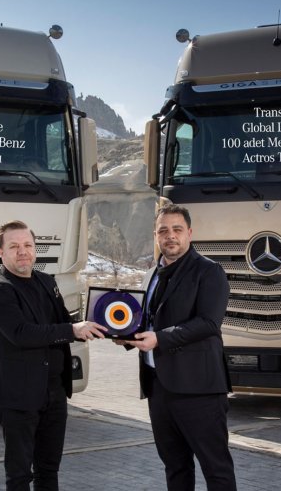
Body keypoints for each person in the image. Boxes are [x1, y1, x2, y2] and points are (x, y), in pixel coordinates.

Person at [119, 204, 237, 491]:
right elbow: (146, 320)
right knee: (175, 467)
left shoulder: (209, 271)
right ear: (155, 236)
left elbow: (208, 323)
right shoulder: (151, 274)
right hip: (158, 387)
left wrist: (160, 338)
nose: (170, 236)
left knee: (216, 469)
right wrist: (126, 335)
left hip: (199, 389)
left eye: (177, 229)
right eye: (163, 230)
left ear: (190, 233)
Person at [0, 220, 107, 491]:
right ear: (1, 252)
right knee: (19, 476)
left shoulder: (46, 281)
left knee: (49, 471)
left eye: (28, 245)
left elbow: (65, 322)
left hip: (54, 393)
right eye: (14, 246)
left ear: (35, 248)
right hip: (19, 396)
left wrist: (105, 326)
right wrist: (72, 329)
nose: (23, 251)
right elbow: (21, 333)